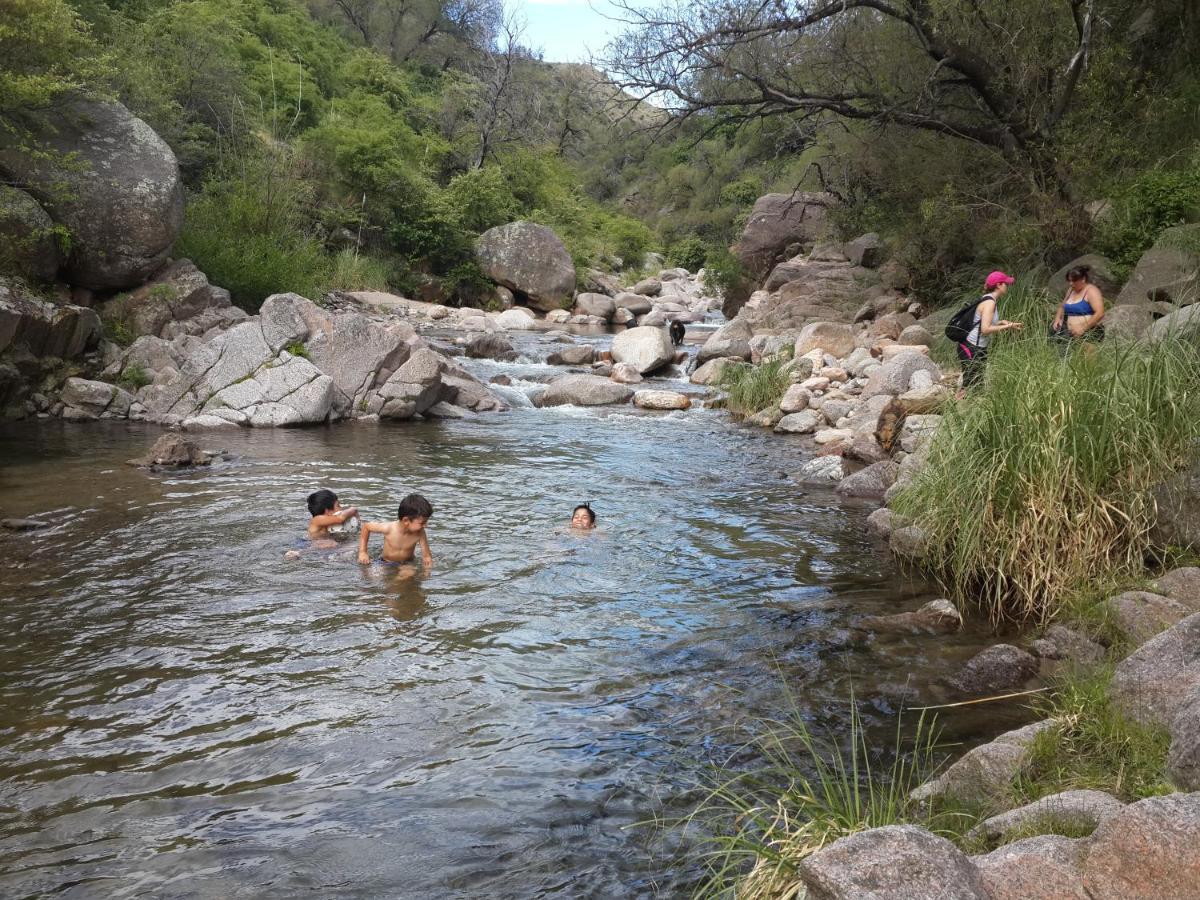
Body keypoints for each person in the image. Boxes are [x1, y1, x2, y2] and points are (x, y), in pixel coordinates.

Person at [957, 271, 1023, 391]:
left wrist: (1001, 322)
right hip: (971, 348)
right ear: (998, 285)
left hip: (977, 347)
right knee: (968, 385)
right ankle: (955, 407)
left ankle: (969, 407)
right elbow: (985, 329)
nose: (1007, 286)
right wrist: (1008, 327)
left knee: (977, 385)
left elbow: (980, 323)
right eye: (1005, 284)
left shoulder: (987, 299)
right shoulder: (990, 303)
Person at [358, 493, 434, 569]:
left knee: (408, 574)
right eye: (422, 523)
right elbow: (366, 527)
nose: (425, 525)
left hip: (406, 563)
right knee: (371, 576)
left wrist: (427, 572)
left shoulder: (420, 533)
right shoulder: (389, 528)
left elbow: (426, 556)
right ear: (406, 520)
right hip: (384, 562)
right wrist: (363, 552)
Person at [1051, 265, 1106, 342]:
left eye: (1074, 281)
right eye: (1069, 281)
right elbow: (1062, 305)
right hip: (1068, 334)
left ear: (1083, 279)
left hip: (1089, 333)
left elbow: (1100, 313)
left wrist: (1082, 327)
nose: (1070, 283)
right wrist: (1057, 318)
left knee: (1086, 354)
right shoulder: (1071, 290)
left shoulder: (1092, 291)